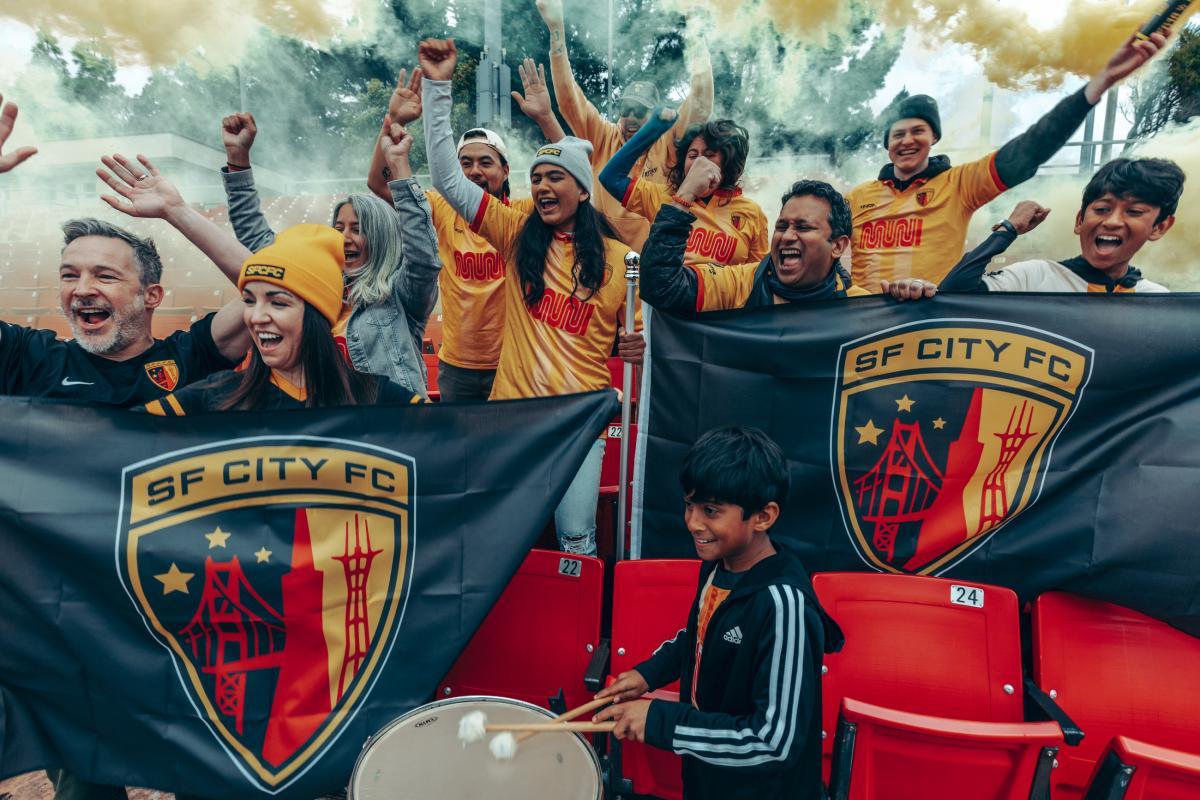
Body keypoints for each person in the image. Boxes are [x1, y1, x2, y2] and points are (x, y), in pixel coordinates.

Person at [0, 95, 250, 800]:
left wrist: (178, 213)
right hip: (63, 621)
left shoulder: (187, 357)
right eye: (71, 275)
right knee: (84, 783)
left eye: (105, 275)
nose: (84, 288)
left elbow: (280, 288)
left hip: (168, 616)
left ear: (150, 295)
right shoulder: (30, 359)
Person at [419, 37, 639, 556]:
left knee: (577, 536)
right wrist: (437, 88)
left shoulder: (618, 260)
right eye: (535, 177)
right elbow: (447, 178)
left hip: (580, 419)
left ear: (582, 190)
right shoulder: (517, 236)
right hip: (513, 418)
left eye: (555, 177)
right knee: (500, 530)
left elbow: (630, 343)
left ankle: (576, 629)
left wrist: (637, 350)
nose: (541, 185)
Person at [594, 426, 842, 800]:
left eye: (711, 510)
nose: (693, 522)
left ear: (763, 516)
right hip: (711, 780)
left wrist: (662, 721)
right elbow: (699, 635)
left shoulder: (783, 605)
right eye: (689, 505)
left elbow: (773, 742)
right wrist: (649, 674)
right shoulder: (718, 567)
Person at [848, 31, 1171, 293]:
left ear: (933, 138)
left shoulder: (959, 183)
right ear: (887, 145)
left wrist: (1098, 85)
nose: (906, 141)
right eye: (897, 135)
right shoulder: (857, 198)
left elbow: (1029, 149)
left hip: (935, 317)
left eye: (918, 131)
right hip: (862, 322)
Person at [216, 112, 440, 396]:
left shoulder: (400, 295)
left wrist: (399, 167)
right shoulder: (312, 288)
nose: (344, 237)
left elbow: (424, 259)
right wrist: (238, 161)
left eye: (358, 229)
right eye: (339, 227)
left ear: (382, 237)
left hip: (389, 426)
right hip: (326, 426)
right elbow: (259, 241)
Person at [364, 67, 536, 401]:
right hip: (457, 366)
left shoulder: (524, 214)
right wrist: (392, 121)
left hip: (512, 361)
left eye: (486, 162)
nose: (475, 171)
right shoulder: (441, 209)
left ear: (505, 170)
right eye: (465, 163)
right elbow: (379, 184)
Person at [142, 225, 422, 415]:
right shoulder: (215, 397)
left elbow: (450, 443)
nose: (256, 317)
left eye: (277, 303)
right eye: (249, 300)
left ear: (319, 316)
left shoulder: (377, 398)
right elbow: (120, 439)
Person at [534, 0, 713, 250]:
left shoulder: (669, 140)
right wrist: (556, 30)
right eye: (625, 109)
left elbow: (701, 100)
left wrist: (695, 34)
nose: (630, 117)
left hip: (653, 265)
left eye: (640, 111)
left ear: (655, 114)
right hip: (605, 262)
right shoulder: (604, 136)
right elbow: (568, 100)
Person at [886, 158, 1186, 299]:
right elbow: (956, 291)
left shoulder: (1157, 300)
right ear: (1080, 220)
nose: (1112, 221)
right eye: (1102, 209)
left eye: (1133, 212)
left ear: (1159, 227)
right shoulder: (1036, 275)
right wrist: (1008, 229)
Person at [640, 179, 868, 314]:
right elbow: (661, 287)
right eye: (781, 226)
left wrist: (904, 302)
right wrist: (685, 195)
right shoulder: (739, 285)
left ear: (838, 246)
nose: (787, 236)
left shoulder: (862, 308)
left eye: (803, 227)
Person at [600, 106, 768, 267]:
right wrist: (655, 127)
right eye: (692, 155)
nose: (699, 163)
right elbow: (610, 177)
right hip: (666, 294)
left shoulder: (752, 213)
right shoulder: (663, 196)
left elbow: (756, 276)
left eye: (709, 155)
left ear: (728, 163)